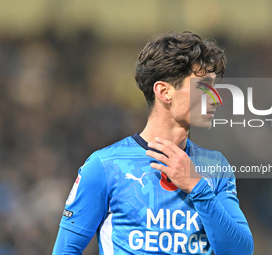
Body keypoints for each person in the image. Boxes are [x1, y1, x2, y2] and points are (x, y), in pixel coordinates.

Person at [52, 31, 254, 255]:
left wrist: (197, 186)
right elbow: (65, 250)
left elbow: (240, 251)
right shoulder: (105, 166)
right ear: (164, 91)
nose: (217, 98)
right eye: (203, 87)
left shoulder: (215, 166)